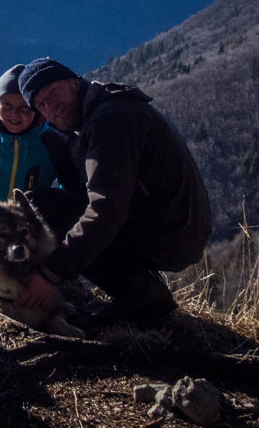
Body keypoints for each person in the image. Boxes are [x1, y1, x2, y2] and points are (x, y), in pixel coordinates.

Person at [14, 57, 211, 324]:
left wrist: (50, 273)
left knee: (41, 206)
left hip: (168, 235)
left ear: (74, 82)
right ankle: (137, 286)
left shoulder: (111, 120)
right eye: (40, 105)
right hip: (170, 226)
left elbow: (105, 210)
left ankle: (140, 292)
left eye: (52, 93)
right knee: (47, 202)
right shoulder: (104, 110)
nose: (51, 108)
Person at [0, 64, 82, 233]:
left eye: (24, 107)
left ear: (36, 108)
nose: (14, 114)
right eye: (7, 104)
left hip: (31, 228)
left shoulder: (52, 141)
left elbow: (71, 196)